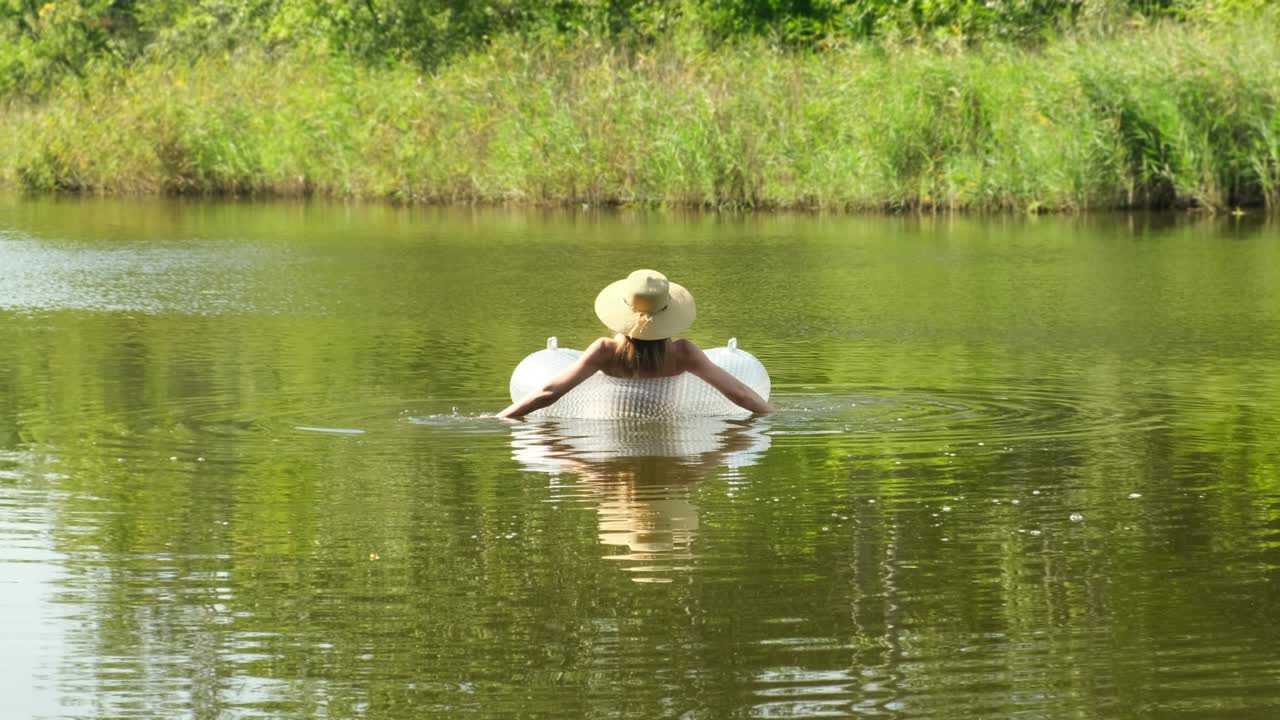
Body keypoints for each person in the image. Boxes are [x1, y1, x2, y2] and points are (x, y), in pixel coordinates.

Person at [498, 269, 772, 419]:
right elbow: (738, 393)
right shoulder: (683, 353)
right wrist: (774, 416)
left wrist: (502, 417)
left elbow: (550, 392)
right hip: (668, 432)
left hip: (609, 433)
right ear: (668, 312)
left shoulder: (605, 352)